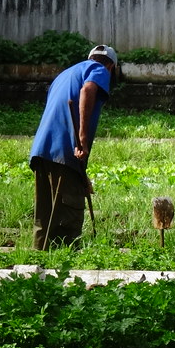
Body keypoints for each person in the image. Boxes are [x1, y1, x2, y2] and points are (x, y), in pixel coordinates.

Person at [29, 44, 118, 249]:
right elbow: (88, 89)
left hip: (42, 150)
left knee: (46, 214)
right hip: (65, 150)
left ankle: (39, 262)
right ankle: (65, 266)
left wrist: (81, 174)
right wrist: (82, 138)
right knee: (68, 215)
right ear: (112, 67)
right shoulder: (98, 69)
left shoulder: (64, 75)